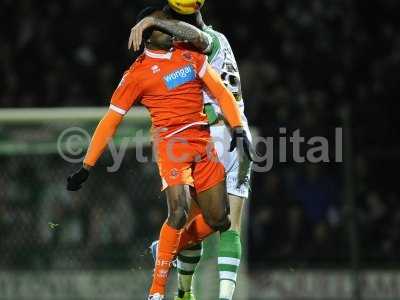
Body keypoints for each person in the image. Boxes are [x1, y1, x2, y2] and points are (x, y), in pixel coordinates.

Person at [67, 7, 254, 300]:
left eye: (171, 25)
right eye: (164, 26)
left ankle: (170, 255)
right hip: (173, 146)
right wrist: (87, 165)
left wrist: (239, 128)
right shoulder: (137, 74)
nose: (171, 30)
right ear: (147, 37)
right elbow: (110, 122)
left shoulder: (191, 55)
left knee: (221, 220)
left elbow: (221, 93)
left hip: (205, 141)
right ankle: (158, 293)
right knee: (179, 212)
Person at [129, 5, 253, 300]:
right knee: (229, 224)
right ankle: (214, 296)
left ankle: (182, 284)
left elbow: (189, 49)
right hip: (238, 127)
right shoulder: (222, 40)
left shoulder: (201, 41)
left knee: (195, 217)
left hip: (209, 132)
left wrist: (149, 22)